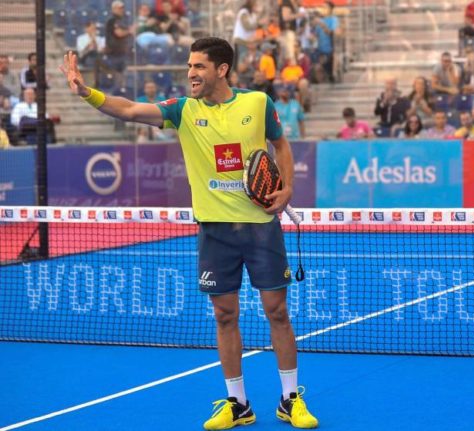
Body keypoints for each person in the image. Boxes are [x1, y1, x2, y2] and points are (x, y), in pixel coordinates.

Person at [59, 38, 318, 429]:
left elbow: (280, 144)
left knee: (277, 312)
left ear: (222, 69)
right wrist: (86, 93)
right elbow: (128, 109)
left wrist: (287, 188)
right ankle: (238, 404)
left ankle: (290, 398)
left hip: (261, 227)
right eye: (189, 66)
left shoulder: (257, 103)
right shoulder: (182, 110)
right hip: (214, 230)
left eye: (198, 66)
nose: (191, 73)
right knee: (224, 315)